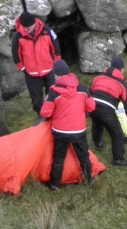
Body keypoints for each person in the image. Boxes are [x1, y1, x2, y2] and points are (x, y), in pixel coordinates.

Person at [40, 60, 95, 190]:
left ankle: (54, 185)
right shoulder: (82, 88)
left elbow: (45, 112)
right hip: (79, 130)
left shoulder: (53, 91)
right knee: (84, 157)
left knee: (59, 158)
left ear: (57, 75)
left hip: (60, 131)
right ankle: (89, 181)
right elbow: (91, 106)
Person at [13, 11, 62, 114]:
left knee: (53, 94)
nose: (27, 29)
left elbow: (56, 48)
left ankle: (55, 114)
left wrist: (56, 64)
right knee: (36, 100)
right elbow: (16, 54)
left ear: (34, 23)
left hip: (49, 70)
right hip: (31, 73)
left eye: (29, 26)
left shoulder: (47, 31)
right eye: (25, 27)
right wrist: (23, 68)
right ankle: (41, 116)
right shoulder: (18, 36)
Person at [90, 57, 127, 167]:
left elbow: (90, 91)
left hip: (92, 105)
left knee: (97, 124)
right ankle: (118, 160)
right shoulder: (122, 84)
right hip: (107, 109)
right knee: (117, 133)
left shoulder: (98, 77)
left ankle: (98, 144)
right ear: (121, 69)